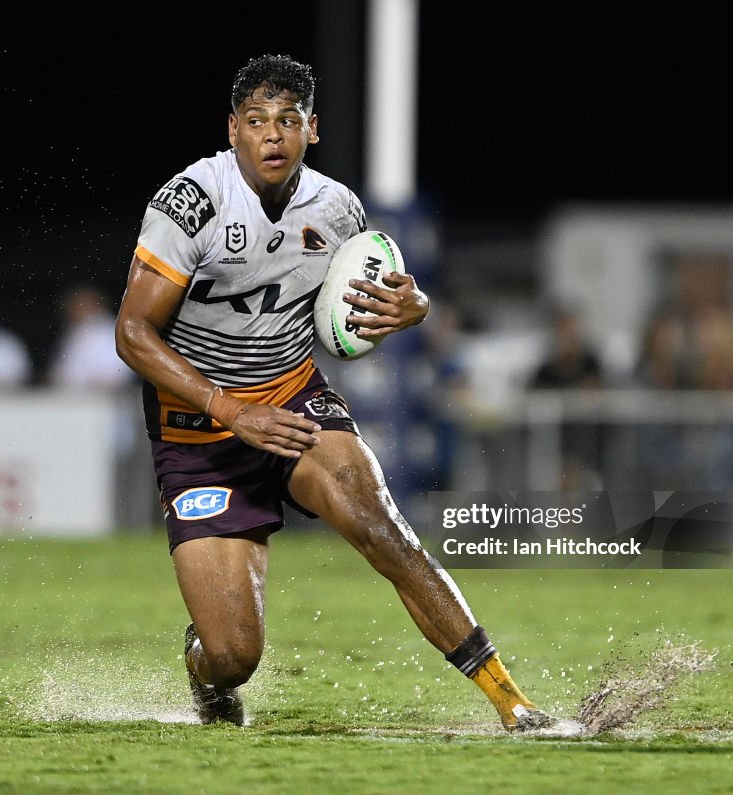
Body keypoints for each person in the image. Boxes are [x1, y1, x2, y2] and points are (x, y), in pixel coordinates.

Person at [115, 54, 575, 734]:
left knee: (382, 527)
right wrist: (231, 409)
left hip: (294, 400)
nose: (273, 136)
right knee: (235, 654)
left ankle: (513, 701)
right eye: (257, 121)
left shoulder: (336, 208)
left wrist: (412, 304)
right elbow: (131, 332)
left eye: (289, 121)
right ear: (233, 130)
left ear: (313, 129)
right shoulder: (192, 203)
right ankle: (203, 662)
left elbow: (381, 296)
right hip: (199, 432)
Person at [48, 283, 135, 390]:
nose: (72, 309)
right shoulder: (76, 330)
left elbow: (116, 375)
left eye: (79, 304)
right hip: (72, 396)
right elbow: (63, 372)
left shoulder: (108, 332)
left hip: (102, 398)